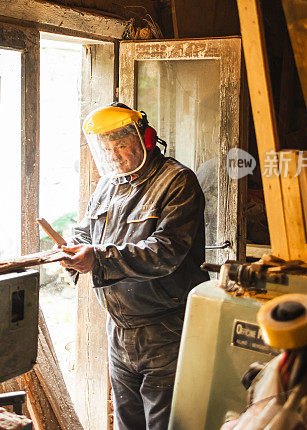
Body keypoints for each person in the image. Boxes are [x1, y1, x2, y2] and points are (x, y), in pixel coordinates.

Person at [60, 103, 208, 430]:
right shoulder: (108, 184)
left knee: (165, 423)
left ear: (146, 138)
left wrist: (98, 257)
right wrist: (71, 249)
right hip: (119, 329)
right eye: (107, 148)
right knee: (128, 423)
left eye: (122, 145)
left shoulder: (177, 182)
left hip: (166, 328)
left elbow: (165, 251)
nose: (114, 155)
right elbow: (87, 230)